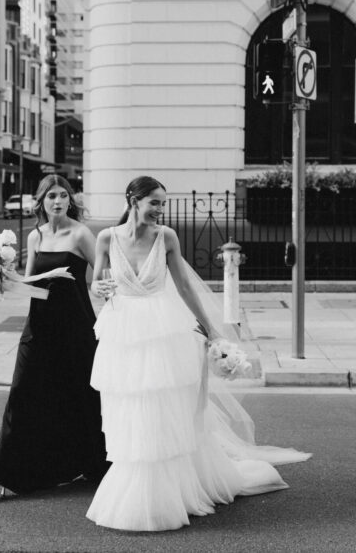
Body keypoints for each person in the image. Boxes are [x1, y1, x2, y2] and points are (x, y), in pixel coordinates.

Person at [85, 176, 310, 531]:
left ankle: (166, 489)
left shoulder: (167, 237)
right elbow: (96, 285)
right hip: (125, 332)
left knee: (162, 409)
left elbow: (185, 285)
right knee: (129, 407)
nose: (160, 210)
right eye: (154, 203)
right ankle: (135, 480)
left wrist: (210, 329)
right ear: (133, 200)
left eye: (163, 203)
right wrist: (98, 286)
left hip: (163, 331)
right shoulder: (106, 238)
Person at [0, 175, 109, 497]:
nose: (58, 201)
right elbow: (32, 287)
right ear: (42, 202)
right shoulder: (35, 236)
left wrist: (105, 290)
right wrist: (6, 275)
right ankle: (0, 474)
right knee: (22, 395)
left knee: (83, 398)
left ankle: (94, 464)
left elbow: (104, 274)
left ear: (69, 200)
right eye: (51, 196)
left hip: (76, 328)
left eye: (63, 195)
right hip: (40, 326)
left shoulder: (80, 234)